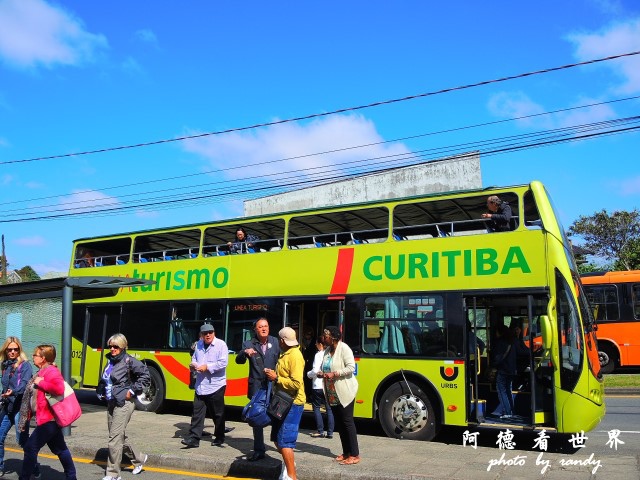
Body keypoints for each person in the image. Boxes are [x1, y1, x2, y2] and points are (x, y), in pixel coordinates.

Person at [18, 345, 77, 480]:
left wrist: (41, 382)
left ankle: (24, 477)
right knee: (60, 449)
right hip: (46, 419)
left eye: (35, 355)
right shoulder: (42, 371)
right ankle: (71, 476)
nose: (33, 357)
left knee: (30, 447)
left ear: (43, 358)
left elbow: (58, 388)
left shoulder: (51, 371)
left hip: (49, 419)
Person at [97, 333, 151, 480]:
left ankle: (113, 474)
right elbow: (107, 380)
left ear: (123, 347)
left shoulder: (130, 361)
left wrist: (132, 391)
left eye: (116, 346)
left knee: (114, 438)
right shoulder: (110, 361)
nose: (112, 349)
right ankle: (139, 459)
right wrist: (101, 390)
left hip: (124, 403)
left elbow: (146, 376)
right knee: (117, 436)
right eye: (110, 346)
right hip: (111, 401)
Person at [235, 317, 280, 461]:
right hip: (257, 387)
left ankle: (279, 444)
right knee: (256, 418)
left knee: (277, 416)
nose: (264, 328)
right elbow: (239, 361)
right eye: (260, 327)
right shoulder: (249, 344)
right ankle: (259, 449)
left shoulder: (276, 342)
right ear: (255, 329)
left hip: (273, 386)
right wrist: (244, 352)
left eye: (266, 326)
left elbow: (282, 361)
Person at [264, 327, 305, 480]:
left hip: (293, 403)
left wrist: (276, 378)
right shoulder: (285, 353)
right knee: (276, 438)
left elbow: (296, 384)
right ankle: (289, 467)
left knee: (285, 441)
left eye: (279, 340)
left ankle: (292, 476)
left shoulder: (294, 356)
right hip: (281, 401)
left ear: (282, 340)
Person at [182, 323, 229, 448]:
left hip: (216, 385)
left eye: (210, 332)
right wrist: (193, 365)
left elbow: (223, 363)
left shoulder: (221, 345)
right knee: (197, 412)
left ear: (214, 333)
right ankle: (194, 439)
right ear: (201, 335)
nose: (208, 335)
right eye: (205, 333)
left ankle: (219, 436)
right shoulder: (199, 345)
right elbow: (194, 359)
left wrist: (207, 367)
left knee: (217, 413)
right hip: (200, 385)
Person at [318, 326, 360, 465]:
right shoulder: (327, 351)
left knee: (347, 422)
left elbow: (351, 368)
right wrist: (321, 373)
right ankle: (346, 452)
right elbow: (325, 366)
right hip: (331, 392)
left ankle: (355, 454)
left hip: (345, 391)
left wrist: (335, 374)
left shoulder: (344, 348)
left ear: (333, 337)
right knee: (340, 424)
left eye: (326, 336)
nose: (324, 338)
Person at [0, 337, 32, 477]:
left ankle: (33, 468)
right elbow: (5, 386)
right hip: (8, 407)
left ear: (19, 349)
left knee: (23, 441)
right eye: (10, 349)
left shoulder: (25, 365)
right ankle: (0, 467)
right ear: (5, 350)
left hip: (21, 408)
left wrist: (14, 392)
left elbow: (24, 384)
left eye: (15, 349)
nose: (13, 352)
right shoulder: (5, 365)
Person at [306, 337, 334, 439]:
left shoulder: (318, 354)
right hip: (328, 384)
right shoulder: (331, 353)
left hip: (318, 385)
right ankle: (330, 432)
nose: (315, 345)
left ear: (320, 344)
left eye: (316, 343)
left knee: (316, 407)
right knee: (329, 409)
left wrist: (308, 374)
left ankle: (320, 431)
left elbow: (315, 370)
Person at [491, 325, 517, 419]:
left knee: (502, 391)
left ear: (500, 332)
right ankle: (511, 411)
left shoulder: (500, 342)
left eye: (497, 332)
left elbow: (498, 357)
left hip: (503, 370)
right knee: (508, 391)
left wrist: (494, 366)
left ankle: (507, 412)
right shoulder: (512, 341)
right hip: (511, 370)